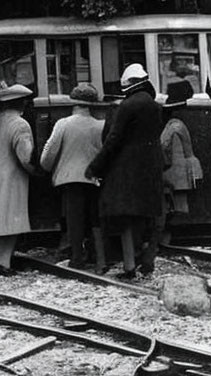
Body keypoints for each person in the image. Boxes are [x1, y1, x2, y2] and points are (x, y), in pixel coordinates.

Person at [86, 64, 163, 279]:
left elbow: (113, 139)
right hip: (151, 168)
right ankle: (148, 259)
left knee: (125, 219)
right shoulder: (155, 107)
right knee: (147, 216)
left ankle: (129, 265)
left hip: (125, 169)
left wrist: (95, 167)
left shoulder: (126, 107)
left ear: (127, 85)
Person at [40, 83, 105, 271]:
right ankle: (100, 260)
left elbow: (49, 152)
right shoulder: (99, 125)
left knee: (74, 219)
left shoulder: (63, 124)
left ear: (73, 103)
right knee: (95, 219)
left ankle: (77, 259)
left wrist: (47, 167)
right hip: (93, 178)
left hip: (69, 178)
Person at [159, 80, 203, 246]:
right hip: (180, 169)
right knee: (178, 205)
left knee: (171, 205)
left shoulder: (172, 125)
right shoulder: (180, 124)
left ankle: (165, 239)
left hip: (172, 169)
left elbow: (163, 144)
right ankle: (167, 239)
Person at [0, 83, 36, 274]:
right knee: (11, 222)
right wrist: (35, 171)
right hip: (11, 179)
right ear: (20, 103)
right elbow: (25, 156)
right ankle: (4, 263)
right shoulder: (20, 124)